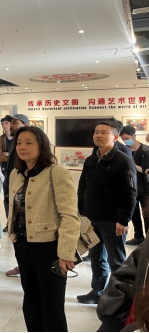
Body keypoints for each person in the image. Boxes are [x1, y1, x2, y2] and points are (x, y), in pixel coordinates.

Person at [8, 126, 81, 332]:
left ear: (42, 146)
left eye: (29, 142)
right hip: (23, 246)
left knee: (52, 306)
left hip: (49, 248)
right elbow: (13, 206)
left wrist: (66, 253)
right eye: (19, 143)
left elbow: (69, 215)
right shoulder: (16, 173)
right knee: (31, 302)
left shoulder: (56, 173)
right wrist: (12, 235)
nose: (22, 147)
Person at [77, 120, 138, 305]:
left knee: (116, 261)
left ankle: (120, 299)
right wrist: (81, 212)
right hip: (91, 219)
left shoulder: (123, 161)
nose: (98, 135)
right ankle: (97, 291)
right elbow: (83, 187)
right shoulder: (91, 160)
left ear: (115, 137)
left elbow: (130, 193)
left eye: (104, 132)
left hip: (112, 221)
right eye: (96, 132)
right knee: (96, 257)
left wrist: (123, 220)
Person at [4, 114, 30, 278]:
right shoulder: (15, 142)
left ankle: (26, 267)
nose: (10, 125)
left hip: (25, 195)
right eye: (10, 123)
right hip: (12, 190)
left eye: (14, 122)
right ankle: (22, 265)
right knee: (16, 232)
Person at [120, 126, 149, 246]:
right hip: (130, 188)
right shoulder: (124, 151)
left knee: (147, 215)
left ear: (134, 136)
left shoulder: (145, 150)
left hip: (145, 189)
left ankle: (147, 241)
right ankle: (138, 237)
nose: (126, 141)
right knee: (134, 214)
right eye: (123, 139)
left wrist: (132, 165)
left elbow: (146, 170)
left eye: (127, 138)